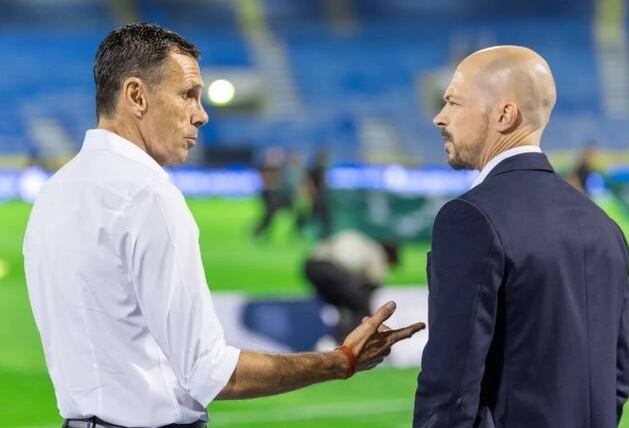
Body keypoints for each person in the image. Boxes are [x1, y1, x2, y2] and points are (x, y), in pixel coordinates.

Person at [22, 23, 425, 428]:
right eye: (187, 95)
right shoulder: (148, 196)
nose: (202, 115)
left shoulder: (54, 192)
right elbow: (210, 372)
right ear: (136, 96)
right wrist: (342, 361)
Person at [413, 46, 629, 427]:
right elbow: (617, 380)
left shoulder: (470, 218)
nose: (439, 117)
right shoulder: (605, 227)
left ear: (505, 115)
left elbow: (450, 388)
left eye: (453, 102)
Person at [304, 229, 399, 343]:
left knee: (344, 306)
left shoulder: (364, 243)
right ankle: (351, 342)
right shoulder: (378, 253)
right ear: (389, 255)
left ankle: (334, 340)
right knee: (360, 307)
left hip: (310, 266)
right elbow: (370, 289)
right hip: (330, 268)